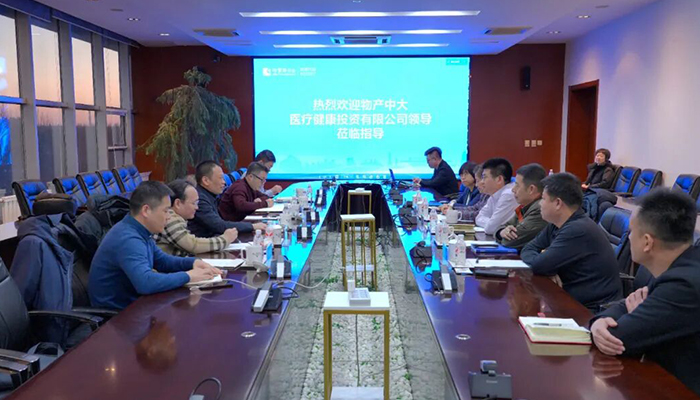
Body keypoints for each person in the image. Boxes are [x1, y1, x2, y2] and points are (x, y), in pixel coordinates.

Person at [590, 189, 700, 395]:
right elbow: (626, 303)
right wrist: (598, 321)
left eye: (631, 231)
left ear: (647, 242)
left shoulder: (683, 284)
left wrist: (613, 322)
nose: (629, 237)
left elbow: (618, 339)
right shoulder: (682, 264)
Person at [89, 181, 223, 310]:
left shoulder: (139, 230)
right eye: (166, 211)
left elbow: (162, 261)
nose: (169, 217)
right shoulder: (128, 239)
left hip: (135, 305)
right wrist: (188, 276)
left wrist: (194, 262)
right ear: (146, 210)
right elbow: (145, 283)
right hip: (118, 317)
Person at [521, 173, 622, 310]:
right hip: (570, 299)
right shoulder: (557, 224)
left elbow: (538, 265)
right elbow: (528, 249)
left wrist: (545, 266)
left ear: (558, 203)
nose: (540, 204)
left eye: (543, 199)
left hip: (592, 310)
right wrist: (547, 268)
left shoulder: (577, 230)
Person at [156, 179, 239, 256]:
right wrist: (225, 239)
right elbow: (193, 245)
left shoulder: (174, 217)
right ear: (178, 203)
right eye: (194, 203)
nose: (197, 207)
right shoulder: (169, 218)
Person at [188, 160, 265, 238]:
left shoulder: (210, 196)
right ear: (206, 181)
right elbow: (219, 226)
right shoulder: (199, 199)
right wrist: (252, 226)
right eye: (220, 178)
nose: (224, 182)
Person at [495, 163, 548, 250]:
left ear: (531, 189)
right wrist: (501, 232)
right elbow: (502, 226)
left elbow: (510, 241)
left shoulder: (539, 209)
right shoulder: (525, 206)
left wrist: (503, 235)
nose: (513, 189)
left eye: (517, 185)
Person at [475, 158, 518, 235]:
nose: (482, 182)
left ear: (499, 179)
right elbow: (478, 218)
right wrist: (490, 222)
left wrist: (491, 224)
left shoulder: (508, 195)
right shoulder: (494, 194)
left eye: (484, 177)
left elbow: (491, 228)